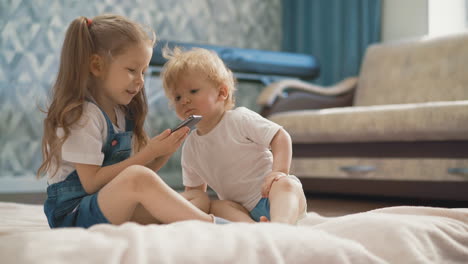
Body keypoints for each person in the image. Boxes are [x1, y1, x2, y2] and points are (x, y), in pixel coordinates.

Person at [36, 14, 229, 228]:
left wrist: (164, 151)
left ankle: (190, 220)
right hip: (73, 214)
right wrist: (149, 153)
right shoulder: (83, 115)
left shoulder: (120, 112)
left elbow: (130, 182)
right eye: (131, 70)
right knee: (139, 177)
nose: (140, 81)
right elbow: (92, 184)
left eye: (144, 72)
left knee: (198, 199)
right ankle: (214, 225)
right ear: (97, 66)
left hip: (107, 203)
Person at [160, 47, 308, 224]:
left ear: (221, 93)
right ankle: (253, 228)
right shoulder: (190, 147)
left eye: (193, 91)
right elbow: (196, 194)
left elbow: (280, 137)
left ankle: (281, 226)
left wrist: (279, 172)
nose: (184, 101)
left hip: (272, 195)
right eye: (177, 97)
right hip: (242, 210)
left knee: (286, 184)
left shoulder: (239, 119)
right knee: (215, 206)